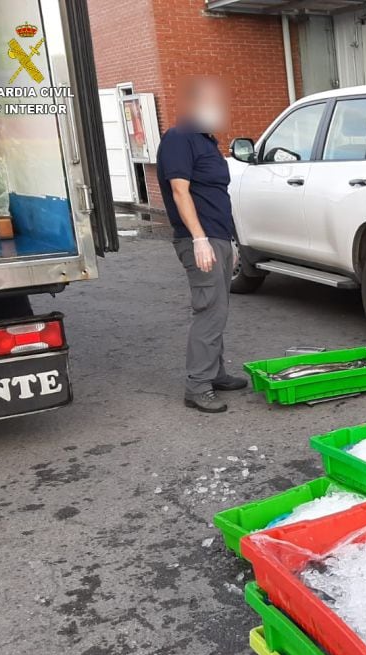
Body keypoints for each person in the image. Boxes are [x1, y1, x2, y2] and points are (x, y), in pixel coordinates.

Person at [155, 76, 246, 414]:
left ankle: (215, 372)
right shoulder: (180, 139)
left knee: (218, 307)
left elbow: (216, 195)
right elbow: (180, 191)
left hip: (218, 238)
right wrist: (200, 239)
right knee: (210, 309)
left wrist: (230, 241)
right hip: (200, 239)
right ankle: (197, 385)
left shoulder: (206, 141)